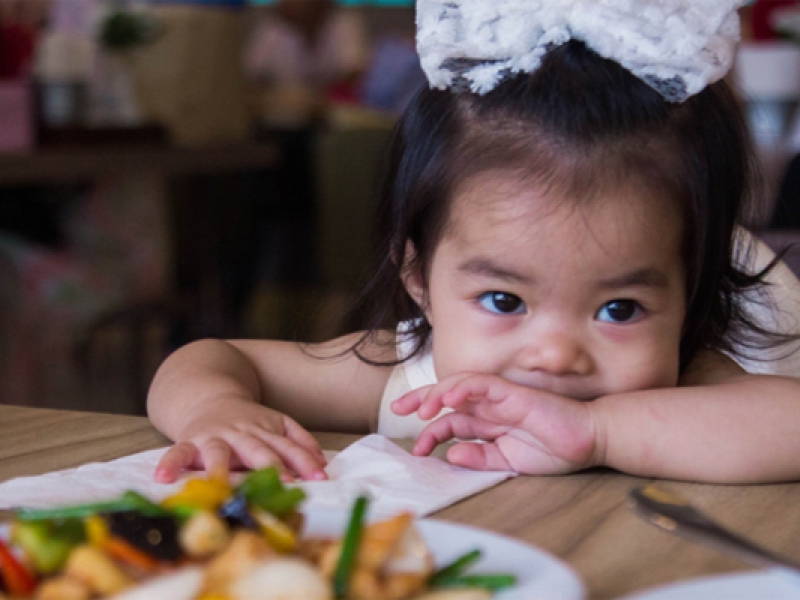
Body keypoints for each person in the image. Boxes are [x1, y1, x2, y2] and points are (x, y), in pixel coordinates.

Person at [148, 0, 800, 485]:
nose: (553, 355)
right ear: (420, 280)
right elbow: (215, 355)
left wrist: (597, 433)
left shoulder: (689, 388)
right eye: (503, 299)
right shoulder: (405, 378)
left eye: (618, 310)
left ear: (691, 294)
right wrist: (216, 408)